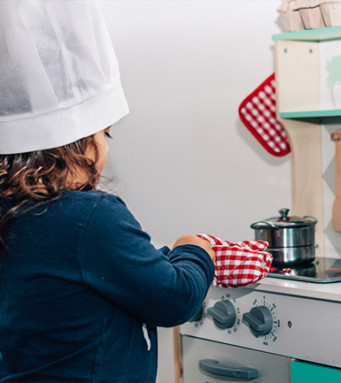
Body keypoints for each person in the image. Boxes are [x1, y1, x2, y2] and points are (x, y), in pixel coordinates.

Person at [0, 1, 215, 382]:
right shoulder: (89, 217)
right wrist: (195, 249)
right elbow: (174, 299)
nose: (108, 147)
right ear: (76, 144)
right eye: (105, 133)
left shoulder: (12, 212)